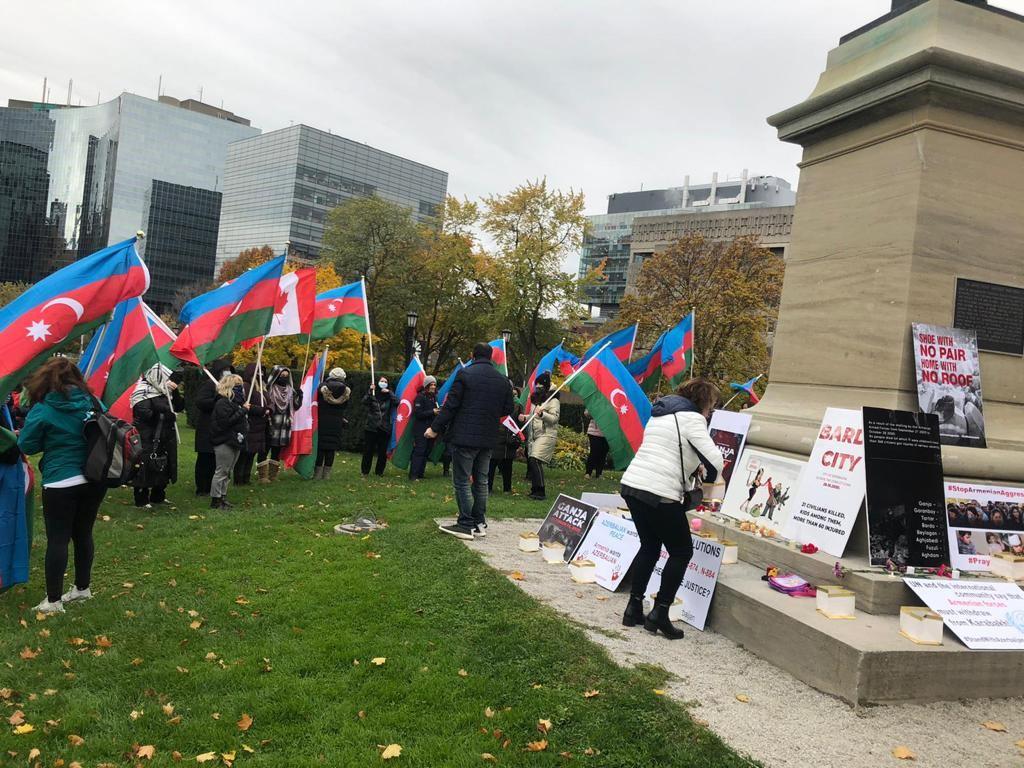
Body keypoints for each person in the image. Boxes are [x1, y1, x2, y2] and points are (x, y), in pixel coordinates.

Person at [618, 378, 724, 640]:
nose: (710, 413)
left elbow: (665, 451)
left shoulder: (660, 414)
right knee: (681, 551)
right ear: (703, 402)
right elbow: (716, 462)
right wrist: (704, 473)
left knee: (650, 546)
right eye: (711, 407)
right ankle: (660, 612)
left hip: (634, 486)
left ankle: (633, 607)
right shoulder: (693, 419)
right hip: (660, 493)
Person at [17, 358, 108, 614]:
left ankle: (54, 601)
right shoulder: (92, 401)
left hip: (61, 480)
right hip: (94, 477)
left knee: (58, 539)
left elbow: (27, 445)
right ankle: (82, 589)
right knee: (83, 534)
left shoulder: (44, 408)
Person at [429, 343, 514, 539]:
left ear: (472, 355)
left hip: (464, 437)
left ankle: (465, 524)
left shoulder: (465, 375)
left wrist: (434, 428)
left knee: (462, 481)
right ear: (491, 357)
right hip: (488, 438)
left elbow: (450, 406)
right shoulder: (502, 381)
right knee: (482, 481)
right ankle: (479, 521)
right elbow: (508, 408)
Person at [130, 364, 184, 508]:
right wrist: (166, 415)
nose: (173, 382)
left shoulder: (166, 392)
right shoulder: (143, 392)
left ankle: (158, 495)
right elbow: (145, 414)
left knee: (164, 465)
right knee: (146, 466)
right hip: (148, 435)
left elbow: (179, 406)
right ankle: (141, 499)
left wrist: (175, 392)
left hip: (165, 435)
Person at [209, 374, 250, 509]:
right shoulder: (222, 402)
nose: (241, 389)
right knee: (222, 471)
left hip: (234, 440)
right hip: (224, 440)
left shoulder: (235, 403)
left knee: (228, 471)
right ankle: (216, 500)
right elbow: (225, 422)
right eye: (237, 386)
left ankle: (223, 496)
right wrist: (242, 411)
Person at [193, 358, 233, 495]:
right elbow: (200, 402)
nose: (227, 373)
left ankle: (212, 486)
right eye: (224, 371)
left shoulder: (229, 388)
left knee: (217, 462)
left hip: (220, 429)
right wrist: (216, 400)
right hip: (207, 428)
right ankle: (201, 488)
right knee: (205, 460)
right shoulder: (210, 385)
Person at [261, 365, 302, 482]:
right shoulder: (269, 389)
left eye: (286, 376)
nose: (284, 378)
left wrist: (299, 396)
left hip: (284, 425)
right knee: (265, 448)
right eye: (281, 376)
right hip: (271, 423)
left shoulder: (290, 390)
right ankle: (263, 476)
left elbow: (296, 406)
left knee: (277, 450)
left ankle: (272, 475)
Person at [525, 372, 560, 501]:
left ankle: (540, 490)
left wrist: (542, 415)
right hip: (536, 434)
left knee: (535, 459)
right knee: (533, 460)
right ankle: (535, 489)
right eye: (537, 385)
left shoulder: (554, 401)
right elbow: (535, 416)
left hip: (547, 434)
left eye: (540, 385)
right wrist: (526, 418)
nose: (538, 387)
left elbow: (554, 419)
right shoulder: (538, 400)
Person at [315, 367, 350, 480]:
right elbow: (345, 406)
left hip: (322, 420)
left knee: (321, 448)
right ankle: (327, 474)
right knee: (331, 448)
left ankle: (317, 473)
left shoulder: (322, 387)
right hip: (336, 422)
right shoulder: (346, 390)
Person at [362, 377, 398, 477]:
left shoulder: (389, 397)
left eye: (386, 382)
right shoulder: (373, 394)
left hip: (385, 427)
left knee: (382, 452)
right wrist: (370, 391)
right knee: (368, 450)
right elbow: (364, 401)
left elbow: (397, 402)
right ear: (378, 383)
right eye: (382, 381)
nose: (383, 383)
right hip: (371, 427)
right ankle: (365, 472)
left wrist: (390, 392)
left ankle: (379, 472)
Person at [489, 385, 522, 494]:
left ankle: (506, 488)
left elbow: (519, 421)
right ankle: (489, 487)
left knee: (507, 465)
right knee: (492, 464)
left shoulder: (517, 405)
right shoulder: (495, 402)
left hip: (508, 438)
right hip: (497, 436)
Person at [409, 376, 438, 480]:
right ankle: (413, 475)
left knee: (426, 451)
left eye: (434, 384)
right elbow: (418, 414)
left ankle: (420, 474)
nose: (433, 387)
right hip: (421, 429)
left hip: (431, 429)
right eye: (431, 384)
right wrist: (432, 412)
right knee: (419, 451)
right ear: (426, 385)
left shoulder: (434, 397)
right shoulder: (420, 397)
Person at [584, 410, 609, 479]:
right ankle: (588, 472)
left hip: (608, 433)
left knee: (603, 453)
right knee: (594, 452)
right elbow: (586, 413)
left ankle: (599, 473)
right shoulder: (596, 401)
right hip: (594, 433)